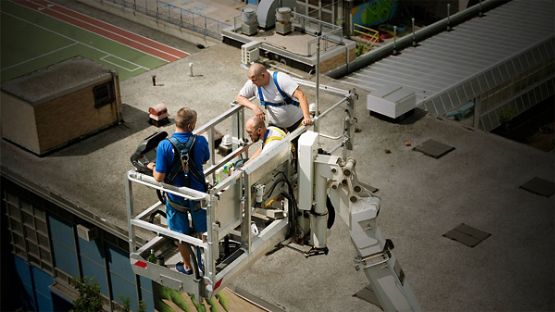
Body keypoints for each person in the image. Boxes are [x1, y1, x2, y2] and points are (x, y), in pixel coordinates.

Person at [147, 107, 209, 275]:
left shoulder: (164, 146)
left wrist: (152, 167)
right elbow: (204, 159)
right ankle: (207, 264)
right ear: (189, 126)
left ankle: (188, 265)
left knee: (180, 234)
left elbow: (159, 177)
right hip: (198, 197)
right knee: (204, 231)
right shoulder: (201, 141)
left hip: (176, 200)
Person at [236, 63, 313, 133]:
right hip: (276, 125)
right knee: (272, 147)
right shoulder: (254, 82)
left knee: (299, 147)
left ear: (263, 75)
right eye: (252, 81)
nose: (253, 83)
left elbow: (301, 95)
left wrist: (306, 117)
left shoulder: (281, 79)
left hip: (296, 122)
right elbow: (239, 98)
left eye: (254, 80)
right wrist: (254, 107)